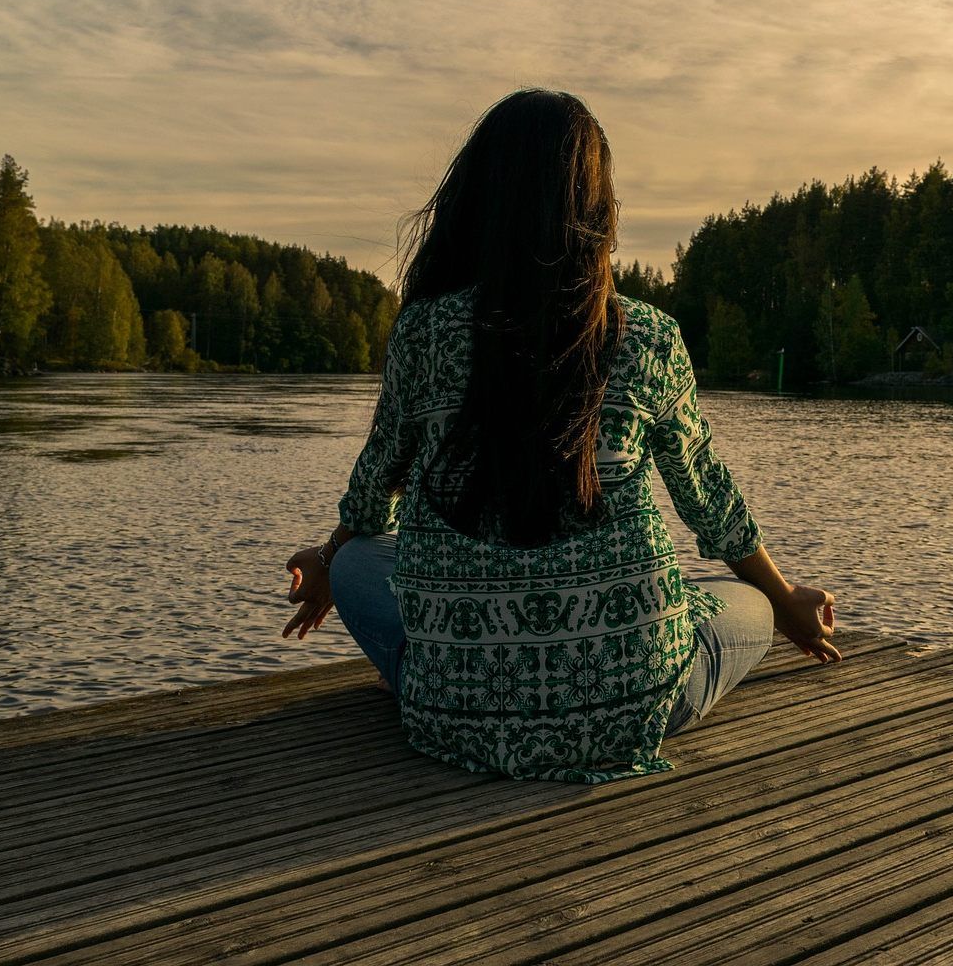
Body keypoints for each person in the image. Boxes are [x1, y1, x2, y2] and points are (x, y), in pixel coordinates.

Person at [282, 89, 838, 783]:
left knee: (363, 557)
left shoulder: (423, 331)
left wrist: (332, 558)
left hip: (453, 717)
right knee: (748, 602)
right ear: (596, 208)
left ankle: (448, 676)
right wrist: (787, 603)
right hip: (633, 708)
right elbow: (710, 505)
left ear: (476, 199)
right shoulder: (648, 336)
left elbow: (373, 491)